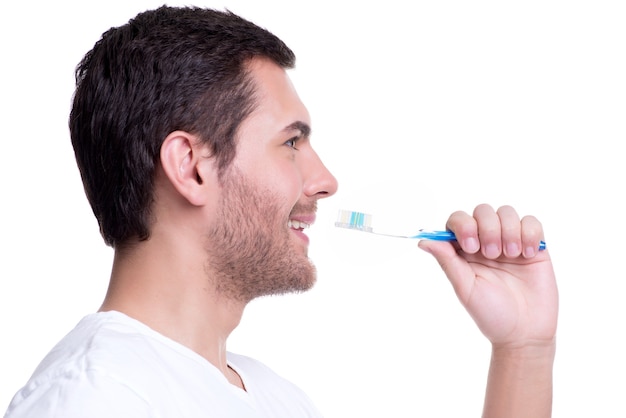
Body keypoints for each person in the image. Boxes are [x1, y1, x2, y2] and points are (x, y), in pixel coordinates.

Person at [3, 5, 558, 418]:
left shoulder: (273, 397)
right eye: (291, 142)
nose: (325, 180)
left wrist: (523, 350)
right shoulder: (94, 399)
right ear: (191, 166)